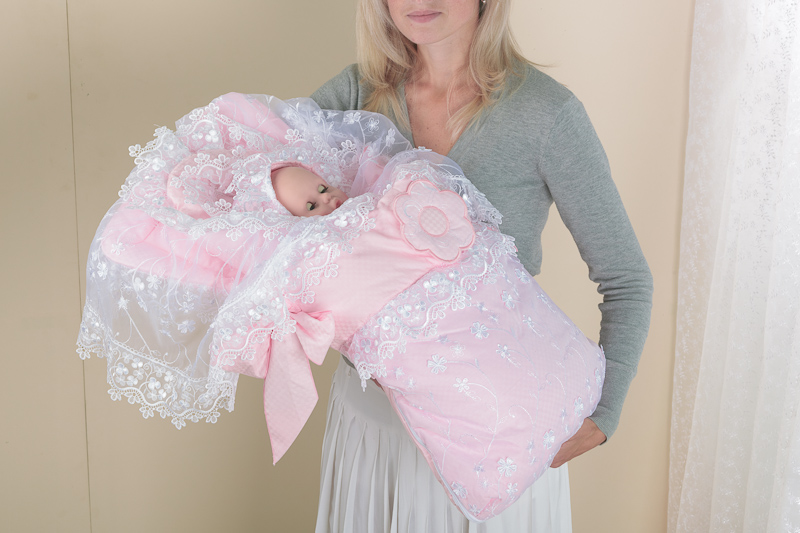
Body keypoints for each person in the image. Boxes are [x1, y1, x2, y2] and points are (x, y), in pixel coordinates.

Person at [310, 0, 653, 531]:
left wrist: (605, 413)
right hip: (371, 429)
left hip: (501, 436)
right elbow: (259, 176)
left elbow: (626, 277)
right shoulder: (355, 96)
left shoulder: (546, 113)